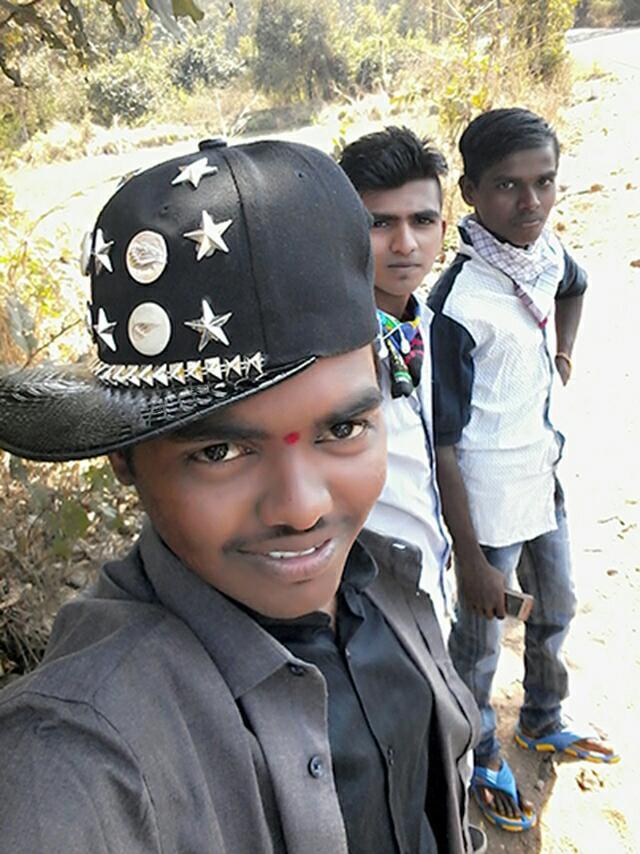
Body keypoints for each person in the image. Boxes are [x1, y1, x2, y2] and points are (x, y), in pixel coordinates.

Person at [0, 139, 483, 853]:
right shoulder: (73, 758)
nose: (302, 508)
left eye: (342, 429)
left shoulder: (386, 583)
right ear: (124, 460)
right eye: (219, 452)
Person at [428, 108, 619, 833]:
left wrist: (562, 355)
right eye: (508, 185)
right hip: (486, 505)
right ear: (471, 192)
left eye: (545, 182)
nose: (531, 201)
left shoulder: (546, 255)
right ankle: (478, 751)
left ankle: (542, 717)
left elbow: (576, 284)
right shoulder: (457, 304)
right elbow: (443, 443)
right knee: (478, 648)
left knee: (558, 605)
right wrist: (472, 559)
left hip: (545, 480)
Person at [338, 126, 452, 627]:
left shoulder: (429, 327)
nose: (405, 244)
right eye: (379, 223)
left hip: (432, 582)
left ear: (443, 229)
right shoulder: (331, 348)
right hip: (370, 606)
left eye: (421, 221)